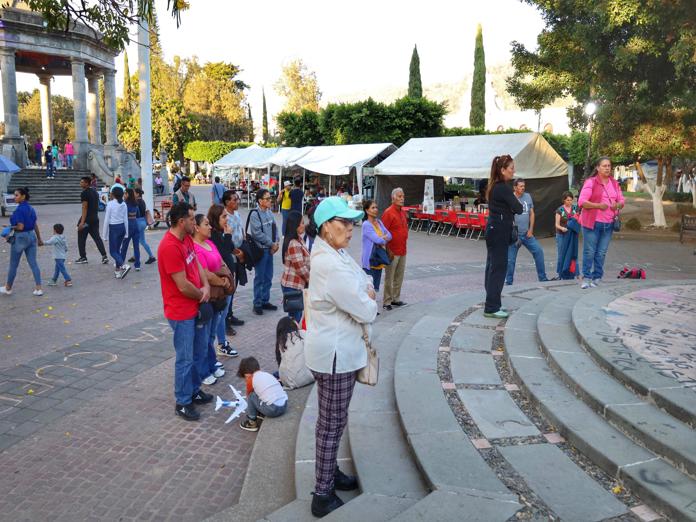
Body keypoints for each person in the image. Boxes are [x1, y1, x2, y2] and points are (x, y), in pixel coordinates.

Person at [304, 196, 377, 518]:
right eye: (343, 223)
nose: (351, 229)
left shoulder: (337, 253)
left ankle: (329, 474)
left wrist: (365, 292)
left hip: (339, 352)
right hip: (335, 356)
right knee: (331, 425)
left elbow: (366, 281)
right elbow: (365, 307)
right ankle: (322, 493)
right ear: (325, 227)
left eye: (352, 223)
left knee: (333, 421)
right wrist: (368, 299)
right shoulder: (330, 263)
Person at [157, 202, 213, 421]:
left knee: (198, 352)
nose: (194, 221)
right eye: (191, 219)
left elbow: (196, 261)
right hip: (181, 312)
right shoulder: (168, 247)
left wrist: (206, 285)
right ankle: (182, 401)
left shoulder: (186, 237)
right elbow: (182, 285)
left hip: (196, 304)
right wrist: (202, 294)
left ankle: (194, 390)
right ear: (181, 222)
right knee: (185, 358)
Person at [484, 155, 523, 319]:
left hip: (494, 229)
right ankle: (491, 307)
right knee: (498, 268)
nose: (513, 170)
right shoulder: (504, 188)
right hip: (499, 231)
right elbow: (519, 208)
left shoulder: (494, 186)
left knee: (492, 267)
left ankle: (493, 302)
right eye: (511, 168)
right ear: (502, 170)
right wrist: (512, 204)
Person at [192, 214, 228, 385]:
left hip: (218, 296)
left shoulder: (210, 243)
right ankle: (203, 370)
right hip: (206, 296)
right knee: (203, 336)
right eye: (206, 224)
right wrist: (221, 281)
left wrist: (226, 277)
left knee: (211, 334)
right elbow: (204, 273)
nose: (210, 226)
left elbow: (221, 263)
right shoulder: (195, 247)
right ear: (197, 228)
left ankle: (212, 364)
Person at [578, 156, 625, 289]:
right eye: (604, 166)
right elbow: (582, 202)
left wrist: (618, 205)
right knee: (590, 251)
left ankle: (597, 277)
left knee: (601, 252)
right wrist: (598, 206)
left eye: (609, 166)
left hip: (608, 224)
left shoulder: (615, 183)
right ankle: (586, 278)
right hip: (592, 223)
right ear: (598, 168)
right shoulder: (591, 182)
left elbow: (622, 200)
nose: (607, 168)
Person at [207, 203, 239, 358]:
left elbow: (231, 247)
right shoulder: (212, 235)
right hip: (221, 281)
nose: (227, 219)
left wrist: (228, 234)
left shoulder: (221, 232)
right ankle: (220, 344)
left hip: (229, 278)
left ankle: (221, 343)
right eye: (224, 216)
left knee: (223, 312)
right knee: (220, 313)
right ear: (216, 218)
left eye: (227, 215)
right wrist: (227, 235)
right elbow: (222, 253)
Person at [505, 179, 549, 285]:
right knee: (510, 260)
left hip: (527, 233)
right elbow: (507, 216)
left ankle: (542, 278)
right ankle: (509, 282)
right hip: (514, 235)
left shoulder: (528, 196)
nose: (523, 188)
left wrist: (531, 229)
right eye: (520, 186)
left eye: (524, 186)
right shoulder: (510, 198)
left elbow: (532, 213)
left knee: (538, 251)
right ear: (515, 187)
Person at [1, 188, 44, 296]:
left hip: (20, 237)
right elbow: (35, 225)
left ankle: (8, 287)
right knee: (33, 263)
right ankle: (39, 288)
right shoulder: (31, 208)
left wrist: (10, 227)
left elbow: (20, 227)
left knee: (13, 265)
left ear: (23, 196)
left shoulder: (19, 210)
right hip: (31, 236)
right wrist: (39, 238)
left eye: (16, 195)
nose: (14, 197)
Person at [248, 189, 279, 315]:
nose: (270, 200)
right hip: (261, 250)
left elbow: (275, 228)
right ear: (260, 201)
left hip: (270, 250)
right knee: (259, 277)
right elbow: (257, 234)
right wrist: (272, 244)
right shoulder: (255, 214)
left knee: (268, 277)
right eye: (267, 199)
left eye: (270, 198)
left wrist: (276, 242)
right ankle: (257, 303)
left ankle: (265, 300)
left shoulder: (269, 212)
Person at [237, 356, 288, 432]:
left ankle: (252, 422)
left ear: (247, 374)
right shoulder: (267, 374)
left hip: (273, 410)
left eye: (245, 377)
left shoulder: (251, 379)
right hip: (284, 405)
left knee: (251, 395)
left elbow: (249, 396)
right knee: (260, 392)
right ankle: (261, 411)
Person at [381, 188, 408, 311]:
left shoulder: (402, 212)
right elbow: (383, 233)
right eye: (399, 196)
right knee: (389, 277)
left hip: (402, 249)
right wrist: (387, 250)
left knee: (399, 276)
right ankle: (387, 301)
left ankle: (395, 299)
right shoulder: (388, 212)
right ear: (393, 198)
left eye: (403, 196)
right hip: (392, 250)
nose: (402, 198)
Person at [222, 190, 246, 330]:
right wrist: (236, 252)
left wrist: (243, 247)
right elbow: (226, 239)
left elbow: (241, 231)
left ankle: (230, 314)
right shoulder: (224, 216)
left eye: (237, 199)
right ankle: (225, 320)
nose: (237, 202)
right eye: (234, 200)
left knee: (234, 286)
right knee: (228, 288)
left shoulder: (236, 214)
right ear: (227, 202)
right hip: (230, 256)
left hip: (239, 254)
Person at [281, 210, 310, 322]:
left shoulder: (299, 239)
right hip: (293, 285)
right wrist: (312, 280)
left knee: (295, 316)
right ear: (295, 225)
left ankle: (292, 336)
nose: (304, 225)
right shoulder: (294, 243)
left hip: (296, 284)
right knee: (295, 318)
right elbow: (300, 268)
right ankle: (291, 337)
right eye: (302, 223)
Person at [361, 199, 392, 299]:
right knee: (369, 286)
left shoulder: (379, 222)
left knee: (375, 285)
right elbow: (377, 240)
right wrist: (383, 238)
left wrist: (382, 238)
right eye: (372, 208)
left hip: (378, 258)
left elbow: (390, 235)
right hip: (370, 259)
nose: (375, 210)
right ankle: (368, 309)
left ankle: (372, 307)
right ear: (367, 210)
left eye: (376, 207)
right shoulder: (366, 225)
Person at [75, 176, 109, 265]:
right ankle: (104, 256)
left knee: (81, 238)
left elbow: (84, 207)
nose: (80, 183)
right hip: (95, 218)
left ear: (87, 183)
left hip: (86, 219)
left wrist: (82, 222)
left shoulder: (84, 193)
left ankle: (83, 257)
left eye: (82, 182)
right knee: (97, 238)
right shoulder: (95, 192)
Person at [275, 317, 314, 390]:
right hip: (309, 376)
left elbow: (280, 362)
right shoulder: (302, 333)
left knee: (276, 374)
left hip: (290, 381)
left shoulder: (281, 342)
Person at [101, 186, 131, 279]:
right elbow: (126, 219)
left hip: (114, 228)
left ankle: (123, 266)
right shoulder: (124, 204)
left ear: (113, 194)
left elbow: (106, 220)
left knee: (112, 251)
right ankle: (117, 271)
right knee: (117, 250)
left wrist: (104, 235)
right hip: (122, 228)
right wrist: (126, 232)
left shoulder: (110, 204)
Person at [555, 191, 580, 279]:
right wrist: (562, 228)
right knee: (562, 254)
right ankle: (561, 274)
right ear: (564, 200)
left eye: (571, 200)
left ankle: (575, 273)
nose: (569, 202)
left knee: (573, 254)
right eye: (567, 200)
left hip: (572, 235)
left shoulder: (575, 208)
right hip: (561, 235)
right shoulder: (560, 210)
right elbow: (556, 224)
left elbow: (579, 220)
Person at [130, 189, 157, 265]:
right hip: (143, 221)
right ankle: (135, 256)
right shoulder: (142, 201)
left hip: (137, 222)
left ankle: (151, 256)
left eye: (134, 193)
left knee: (139, 241)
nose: (133, 194)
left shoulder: (135, 202)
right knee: (140, 240)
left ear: (138, 194)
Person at [119, 188, 142, 271]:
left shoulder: (124, 204)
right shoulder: (136, 204)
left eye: (125, 193)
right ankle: (137, 265)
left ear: (128, 194)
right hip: (135, 226)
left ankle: (121, 263)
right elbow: (138, 214)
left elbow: (121, 216)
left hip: (127, 227)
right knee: (136, 247)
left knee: (124, 246)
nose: (124, 195)